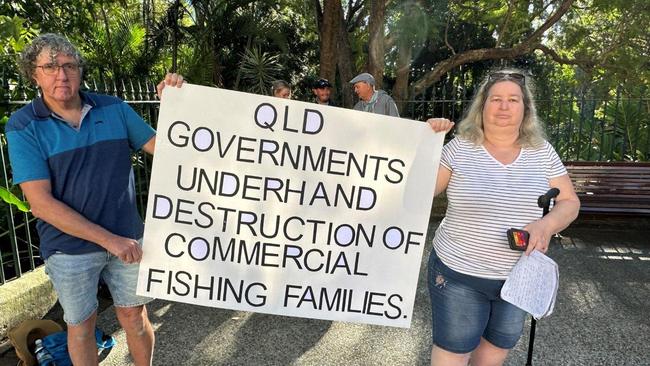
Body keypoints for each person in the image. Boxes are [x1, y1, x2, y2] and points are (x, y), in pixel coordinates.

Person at [6, 33, 183, 366]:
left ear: (79, 70)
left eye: (70, 65)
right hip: (68, 249)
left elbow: (165, 149)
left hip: (128, 236)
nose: (62, 74)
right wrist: (110, 241)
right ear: (34, 74)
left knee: (134, 315)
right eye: (50, 66)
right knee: (81, 326)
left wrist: (176, 107)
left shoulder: (114, 108)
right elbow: (40, 204)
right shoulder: (23, 126)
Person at [426, 69, 580, 366]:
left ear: (526, 109)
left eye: (513, 99)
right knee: (452, 355)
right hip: (458, 275)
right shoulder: (458, 148)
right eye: (495, 99)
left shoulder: (543, 152)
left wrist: (546, 225)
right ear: (482, 106)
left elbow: (569, 202)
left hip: (517, 279)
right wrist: (426, 144)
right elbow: (420, 192)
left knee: (492, 356)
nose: (504, 106)